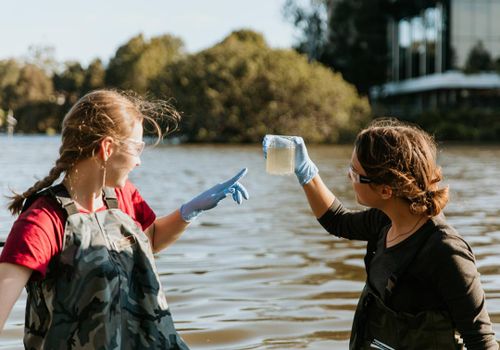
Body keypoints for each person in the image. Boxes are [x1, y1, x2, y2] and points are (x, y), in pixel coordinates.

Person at [0, 89, 249, 349]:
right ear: (107, 148)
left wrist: (189, 211)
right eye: (136, 148)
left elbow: (150, 239)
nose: (139, 161)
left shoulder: (123, 196)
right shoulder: (42, 222)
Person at [263, 119, 498, 350]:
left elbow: (481, 342)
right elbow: (338, 221)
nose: (349, 177)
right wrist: (306, 172)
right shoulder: (385, 221)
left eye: (355, 173)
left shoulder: (447, 253)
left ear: (386, 190)